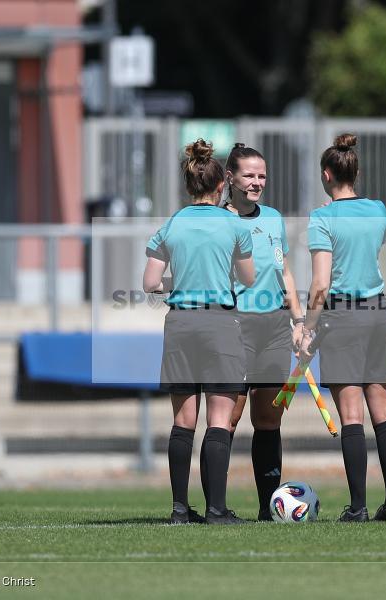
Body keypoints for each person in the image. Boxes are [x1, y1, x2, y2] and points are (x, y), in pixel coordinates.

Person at [142, 139, 256, 525]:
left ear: (188, 185)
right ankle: (216, 509)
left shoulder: (171, 224)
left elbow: (150, 284)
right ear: (221, 185)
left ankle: (178, 509)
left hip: (180, 323)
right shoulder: (232, 224)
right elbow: (248, 277)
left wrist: (183, 281)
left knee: (182, 421)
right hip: (219, 323)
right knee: (219, 419)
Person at [298, 133, 386, 522]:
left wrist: (308, 327)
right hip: (378, 312)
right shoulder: (378, 210)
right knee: (384, 413)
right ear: (354, 172)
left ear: (326, 175)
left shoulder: (322, 218)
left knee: (352, 416)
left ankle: (358, 507)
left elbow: (321, 283)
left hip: (343, 315)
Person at [201, 143, 304, 521]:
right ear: (229, 178)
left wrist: (299, 321)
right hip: (234, 325)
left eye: (262, 175)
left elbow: (285, 273)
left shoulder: (274, 218)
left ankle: (267, 507)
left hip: (275, 326)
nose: (257, 182)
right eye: (249, 175)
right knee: (227, 418)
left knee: (268, 418)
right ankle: (216, 507)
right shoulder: (215, 220)